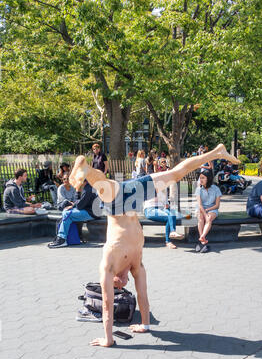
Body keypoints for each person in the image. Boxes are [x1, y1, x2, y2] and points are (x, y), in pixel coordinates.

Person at [69, 143, 239, 347]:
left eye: (116, 286)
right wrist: (145, 325)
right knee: (176, 174)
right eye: (121, 287)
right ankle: (216, 152)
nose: (121, 285)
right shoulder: (136, 266)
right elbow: (143, 294)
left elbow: (106, 303)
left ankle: (86, 169)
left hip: (117, 206)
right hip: (133, 196)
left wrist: (108, 338)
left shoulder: (108, 265)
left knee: (104, 185)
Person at [48, 179, 100, 248]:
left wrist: (76, 193)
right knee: (67, 213)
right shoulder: (88, 187)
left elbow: (79, 206)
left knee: (67, 214)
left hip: (92, 213)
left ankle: (62, 239)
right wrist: (74, 203)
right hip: (90, 211)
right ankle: (64, 238)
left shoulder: (88, 189)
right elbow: (79, 203)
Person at [195, 170, 222, 249]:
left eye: (203, 178)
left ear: (209, 178)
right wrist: (204, 213)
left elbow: (217, 205)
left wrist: (208, 210)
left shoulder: (216, 189)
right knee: (201, 218)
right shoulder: (198, 189)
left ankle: (202, 237)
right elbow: (199, 205)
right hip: (201, 208)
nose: (201, 180)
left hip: (212, 208)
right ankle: (202, 239)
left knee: (209, 218)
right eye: (200, 178)